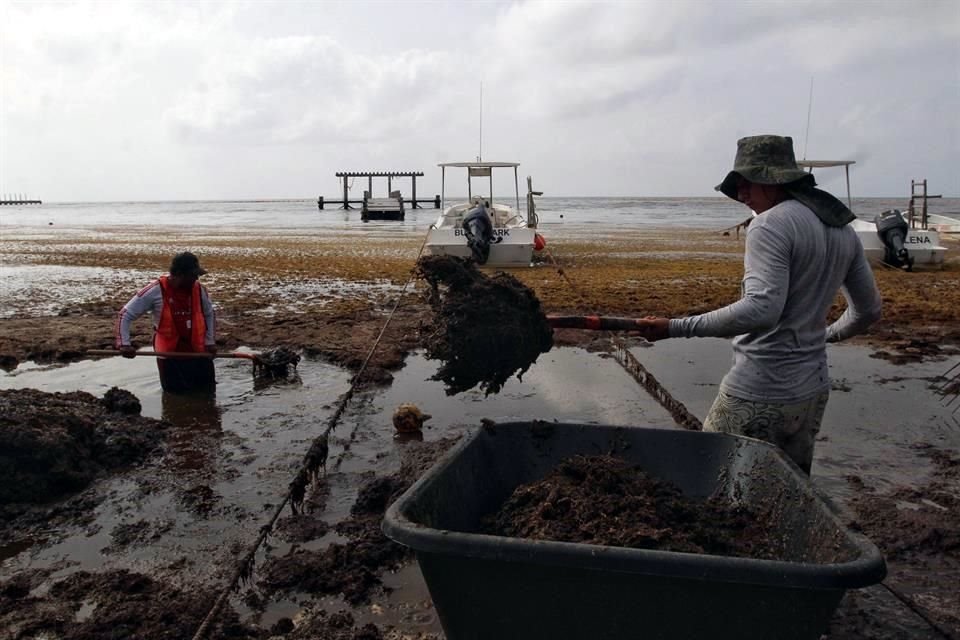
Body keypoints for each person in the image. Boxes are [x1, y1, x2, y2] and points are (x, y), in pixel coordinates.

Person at [635, 135, 882, 474]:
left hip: (760, 388)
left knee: (707, 474)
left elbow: (762, 309)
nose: (742, 195)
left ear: (771, 180)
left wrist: (675, 327)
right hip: (811, 392)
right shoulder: (842, 229)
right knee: (784, 494)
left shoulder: (769, 225)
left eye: (745, 184)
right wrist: (824, 337)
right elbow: (868, 311)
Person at [115, 251, 218, 393]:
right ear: (180, 274)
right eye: (193, 275)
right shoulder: (155, 290)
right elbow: (125, 315)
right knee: (176, 397)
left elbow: (209, 314)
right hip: (170, 356)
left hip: (199, 352)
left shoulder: (199, 290)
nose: (196, 278)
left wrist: (210, 342)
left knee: (207, 392)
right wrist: (124, 344)